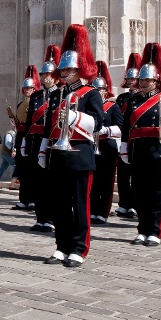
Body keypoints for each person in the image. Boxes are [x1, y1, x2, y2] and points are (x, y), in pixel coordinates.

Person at [39, 24, 103, 268]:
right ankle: (61, 245)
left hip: (79, 153)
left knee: (79, 203)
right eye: (63, 68)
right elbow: (48, 126)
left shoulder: (90, 94)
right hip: (58, 153)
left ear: (79, 69)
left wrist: (76, 118)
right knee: (60, 204)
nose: (64, 73)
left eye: (70, 69)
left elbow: (97, 124)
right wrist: (44, 149)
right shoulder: (56, 94)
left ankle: (79, 248)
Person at [119, 43, 161, 246]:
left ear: (156, 81)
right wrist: (124, 149)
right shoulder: (134, 101)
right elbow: (125, 127)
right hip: (138, 150)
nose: (144, 83)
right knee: (139, 192)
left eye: (148, 80)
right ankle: (142, 229)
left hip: (158, 149)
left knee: (156, 193)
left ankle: (154, 231)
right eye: (142, 79)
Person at [23, 45, 60, 232]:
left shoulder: (60, 93)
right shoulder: (37, 95)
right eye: (43, 74)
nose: (45, 77)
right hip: (35, 142)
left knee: (50, 182)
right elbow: (30, 121)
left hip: (52, 141)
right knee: (37, 181)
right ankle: (41, 217)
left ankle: (51, 218)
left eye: (49, 74)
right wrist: (24, 141)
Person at [90, 61, 123, 224]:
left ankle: (103, 211)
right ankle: (93, 210)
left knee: (106, 182)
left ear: (105, 91)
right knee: (93, 182)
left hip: (107, 147)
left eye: (100, 90)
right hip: (92, 148)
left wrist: (106, 130)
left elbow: (121, 128)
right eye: (95, 90)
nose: (98, 92)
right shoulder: (89, 109)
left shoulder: (112, 107)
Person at [114, 52, 141, 218]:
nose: (131, 82)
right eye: (129, 79)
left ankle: (135, 204)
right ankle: (124, 203)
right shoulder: (122, 98)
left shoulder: (141, 98)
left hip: (136, 137)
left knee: (136, 175)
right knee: (123, 175)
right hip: (123, 137)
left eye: (133, 79)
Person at [12, 69, 36, 209]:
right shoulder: (21, 104)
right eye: (25, 88)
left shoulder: (36, 102)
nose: (27, 90)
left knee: (31, 168)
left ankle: (32, 198)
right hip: (21, 135)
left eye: (29, 88)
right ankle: (24, 198)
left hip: (30, 135)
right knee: (22, 168)